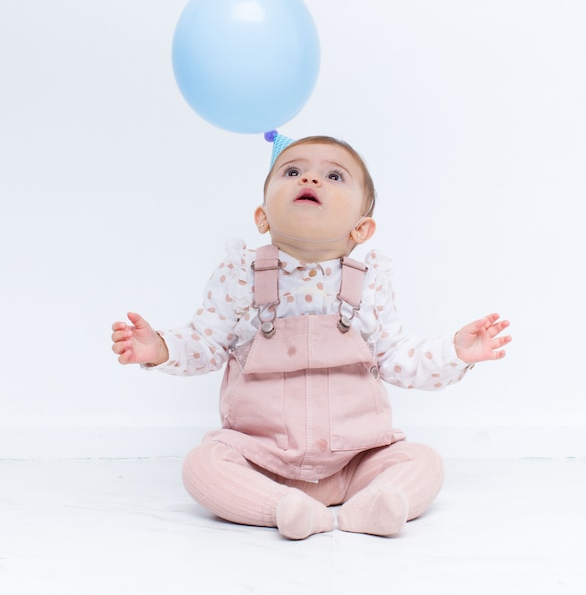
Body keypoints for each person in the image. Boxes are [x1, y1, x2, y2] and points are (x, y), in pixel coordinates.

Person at [111, 133, 511, 540]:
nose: (311, 180)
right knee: (202, 464)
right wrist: (160, 349)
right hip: (260, 459)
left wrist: (454, 352)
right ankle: (281, 507)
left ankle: (379, 503)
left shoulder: (369, 286)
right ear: (263, 217)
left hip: (357, 459)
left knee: (423, 460)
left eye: (334, 176)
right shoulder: (239, 276)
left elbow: (397, 357)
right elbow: (206, 344)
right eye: (293, 171)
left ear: (362, 228)